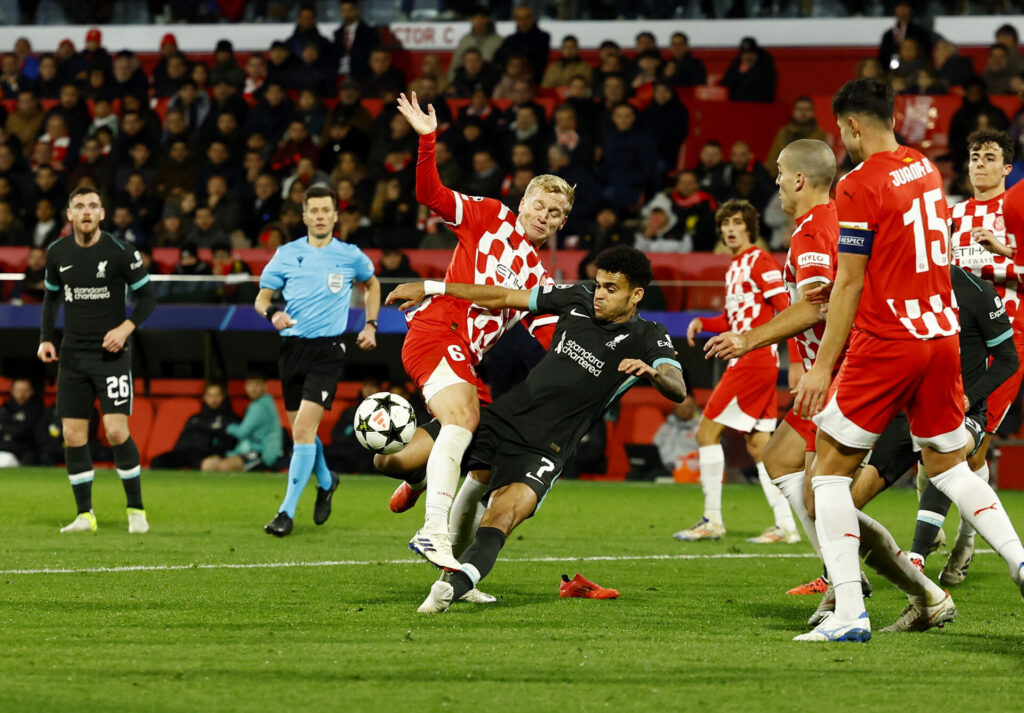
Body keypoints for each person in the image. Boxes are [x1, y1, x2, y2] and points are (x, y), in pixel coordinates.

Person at [791, 78, 1024, 642]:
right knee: (950, 466)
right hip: (941, 334)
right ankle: (1019, 561)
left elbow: (847, 285)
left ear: (849, 125)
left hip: (888, 339)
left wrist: (822, 366)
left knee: (825, 475)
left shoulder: (856, 185)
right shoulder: (923, 166)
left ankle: (848, 612)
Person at [386, 246, 686, 613]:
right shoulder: (576, 297)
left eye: (611, 288)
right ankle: (416, 480)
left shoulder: (649, 335)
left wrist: (654, 373)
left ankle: (453, 589)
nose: (599, 295)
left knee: (504, 516)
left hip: (546, 450)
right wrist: (432, 287)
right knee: (395, 460)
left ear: (635, 294)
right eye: (598, 285)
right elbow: (502, 296)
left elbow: (678, 386)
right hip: (502, 418)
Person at [393, 91, 571, 570]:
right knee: (465, 420)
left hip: (466, 357)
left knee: (486, 459)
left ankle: (447, 554)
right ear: (524, 201)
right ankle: (432, 531)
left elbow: (554, 340)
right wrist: (428, 142)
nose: (544, 218)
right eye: (540, 206)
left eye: (556, 214)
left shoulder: (540, 279)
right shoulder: (488, 216)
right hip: (437, 330)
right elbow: (430, 194)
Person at [912, 128, 1023, 582]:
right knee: (935, 445)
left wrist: (1005, 256)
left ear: (1007, 167)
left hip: (1006, 342)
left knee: (970, 448)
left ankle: (963, 543)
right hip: (954, 341)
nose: (980, 163)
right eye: (974, 155)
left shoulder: (1015, 211)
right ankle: (935, 525)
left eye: (990, 156)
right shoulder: (952, 215)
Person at [255, 185, 380, 537]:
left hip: (329, 350)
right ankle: (326, 480)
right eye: (315, 210)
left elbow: (372, 284)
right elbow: (262, 298)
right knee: (301, 431)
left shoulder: (350, 255)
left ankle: (285, 512)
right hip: (291, 349)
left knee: (303, 431)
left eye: (327, 210)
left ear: (335, 216)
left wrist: (370, 324)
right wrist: (273, 315)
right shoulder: (286, 254)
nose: (321, 216)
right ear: (305, 216)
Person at [675, 199, 796, 544]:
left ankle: (712, 519)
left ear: (750, 227)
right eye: (725, 223)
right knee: (760, 446)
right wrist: (704, 321)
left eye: (737, 222)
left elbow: (786, 308)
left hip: (752, 361)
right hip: (755, 360)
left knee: (705, 434)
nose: (729, 229)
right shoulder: (736, 266)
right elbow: (734, 319)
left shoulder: (759, 260)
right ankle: (786, 525)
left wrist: (772, 347)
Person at [38, 186, 156, 534]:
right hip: (73, 356)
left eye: (93, 206)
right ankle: (85, 515)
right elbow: (50, 299)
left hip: (111, 356)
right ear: (69, 215)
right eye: (79, 206)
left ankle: (136, 510)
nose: (86, 211)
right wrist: (46, 338)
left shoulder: (120, 252)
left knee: (116, 431)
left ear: (102, 214)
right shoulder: (57, 252)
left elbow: (148, 297)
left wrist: (125, 329)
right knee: (73, 436)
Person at [201, 374, 283, 474]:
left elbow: (242, 432)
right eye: (250, 385)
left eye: (257, 385)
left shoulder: (261, 406)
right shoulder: (257, 404)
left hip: (263, 454)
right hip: (248, 451)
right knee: (208, 464)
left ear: (265, 386)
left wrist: (226, 425)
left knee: (222, 467)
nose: (253, 389)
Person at [151, 382, 239, 469]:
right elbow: (182, 438)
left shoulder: (230, 418)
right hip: (185, 451)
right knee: (158, 461)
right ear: (205, 397)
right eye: (210, 396)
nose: (213, 399)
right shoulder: (195, 418)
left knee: (205, 465)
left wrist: (218, 453)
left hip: (205, 453)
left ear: (223, 397)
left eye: (217, 395)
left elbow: (229, 443)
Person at [0, 378, 44, 467]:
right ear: (12, 391)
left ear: (32, 391)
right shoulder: (6, 407)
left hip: (26, 447)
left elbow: (27, 430)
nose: (21, 394)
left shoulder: (37, 408)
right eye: (18, 390)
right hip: (5, 444)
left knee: (31, 457)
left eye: (25, 391)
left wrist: (8, 428)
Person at [654, 395, 701, 473]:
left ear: (694, 407)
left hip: (690, 469)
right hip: (663, 467)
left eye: (687, 407)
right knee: (634, 474)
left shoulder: (702, 427)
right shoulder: (667, 425)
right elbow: (655, 447)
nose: (683, 410)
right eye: (680, 407)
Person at [721, 37, 776, 104]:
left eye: (750, 53)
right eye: (745, 53)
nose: (747, 56)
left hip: (759, 106)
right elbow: (726, 82)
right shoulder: (737, 63)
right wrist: (739, 72)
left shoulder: (766, 65)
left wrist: (748, 72)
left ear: (756, 53)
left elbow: (765, 91)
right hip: (736, 105)